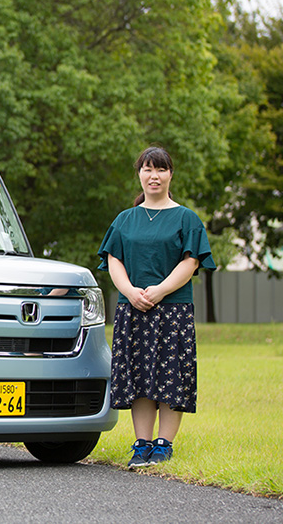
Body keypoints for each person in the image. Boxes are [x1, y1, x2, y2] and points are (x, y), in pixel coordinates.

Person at [97, 146, 215, 468]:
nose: (154, 176)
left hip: (172, 310)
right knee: (140, 379)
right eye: (148, 169)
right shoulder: (125, 220)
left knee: (169, 376)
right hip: (133, 309)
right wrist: (130, 292)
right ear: (139, 174)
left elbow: (191, 262)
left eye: (160, 169)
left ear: (170, 174)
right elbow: (113, 260)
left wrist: (160, 291)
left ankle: (164, 445)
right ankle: (141, 443)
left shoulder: (186, 218)